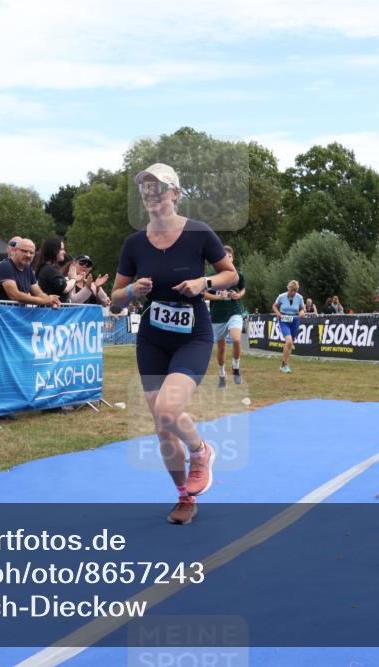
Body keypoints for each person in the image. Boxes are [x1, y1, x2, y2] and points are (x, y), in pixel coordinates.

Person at [111, 163, 237, 526]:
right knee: (162, 426)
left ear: (176, 194)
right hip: (152, 340)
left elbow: (231, 274)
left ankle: (201, 451)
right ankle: (183, 497)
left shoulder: (199, 233)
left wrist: (204, 284)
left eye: (159, 188)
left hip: (192, 336)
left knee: (167, 409)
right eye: (145, 189)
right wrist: (132, 291)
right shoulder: (133, 243)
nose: (151, 194)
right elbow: (116, 299)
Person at [205, 245, 246, 388]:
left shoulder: (238, 275)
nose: (227, 259)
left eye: (229, 257)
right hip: (218, 315)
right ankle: (222, 375)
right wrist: (218, 297)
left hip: (235, 311)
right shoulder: (212, 275)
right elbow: (203, 293)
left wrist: (238, 295)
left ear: (232, 258)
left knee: (236, 339)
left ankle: (236, 368)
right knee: (221, 348)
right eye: (224, 257)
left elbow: (243, 289)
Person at [0, 238, 60, 307]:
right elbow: (15, 295)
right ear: (15, 250)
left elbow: (38, 293)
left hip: (15, 317)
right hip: (0, 317)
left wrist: (52, 300)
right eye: (24, 251)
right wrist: (44, 300)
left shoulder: (28, 269)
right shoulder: (5, 266)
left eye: (31, 253)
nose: (28, 255)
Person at [272, 280, 306, 373]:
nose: (293, 292)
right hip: (284, 320)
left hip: (295, 321)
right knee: (289, 341)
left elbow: (303, 308)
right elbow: (274, 306)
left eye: (295, 290)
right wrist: (278, 313)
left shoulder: (299, 298)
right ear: (289, 288)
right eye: (292, 290)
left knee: (290, 344)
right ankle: (285, 365)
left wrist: (302, 312)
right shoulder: (281, 296)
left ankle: (283, 364)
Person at [33, 236, 78, 303]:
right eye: (61, 249)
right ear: (53, 250)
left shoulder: (48, 268)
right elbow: (64, 288)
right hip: (52, 311)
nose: (64, 252)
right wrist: (73, 279)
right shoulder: (49, 269)